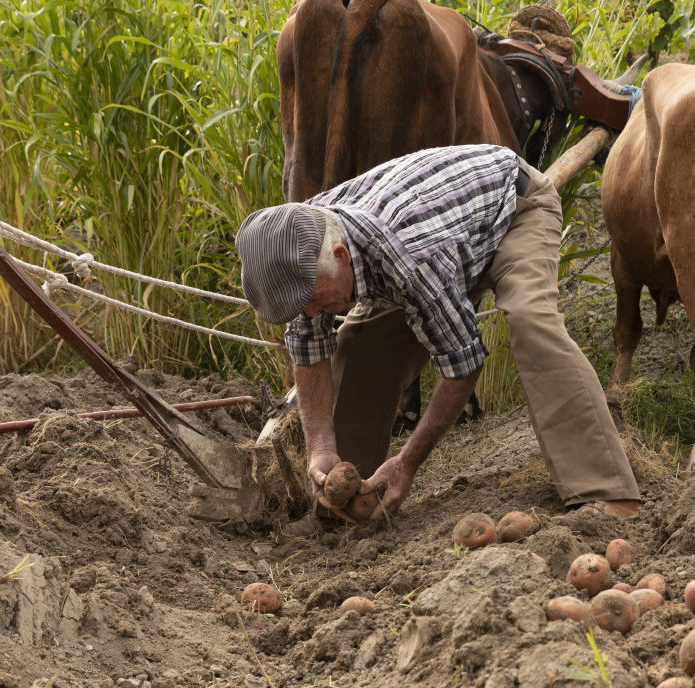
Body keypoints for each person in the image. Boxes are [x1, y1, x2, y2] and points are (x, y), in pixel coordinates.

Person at [236, 144, 641, 522]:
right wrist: (321, 447)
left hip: (513, 210)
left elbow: (462, 365)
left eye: (311, 298)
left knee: (530, 318)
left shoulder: (411, 258)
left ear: (341, 258)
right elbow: (309, 351)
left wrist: (406, 463)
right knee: (359, 344)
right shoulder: (298, 242)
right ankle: (346, 511)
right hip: (441, 241)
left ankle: (604, 492)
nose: (308, 312)